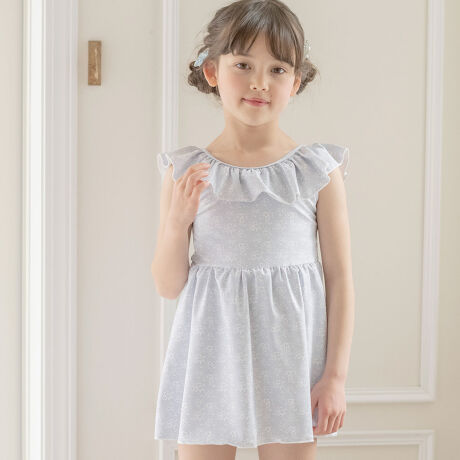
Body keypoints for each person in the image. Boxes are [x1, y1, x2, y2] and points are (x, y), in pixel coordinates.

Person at [151, 1, 355, 459]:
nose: (260, 82)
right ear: (212, 72)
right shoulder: (186, 172)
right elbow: (167, 286)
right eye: (243, 65)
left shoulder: (317, 171)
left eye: (277, 69)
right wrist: (178, 223)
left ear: (295, 82)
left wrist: (335, 378)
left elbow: (340, 278)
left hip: (292, 362)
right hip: (209, 358)